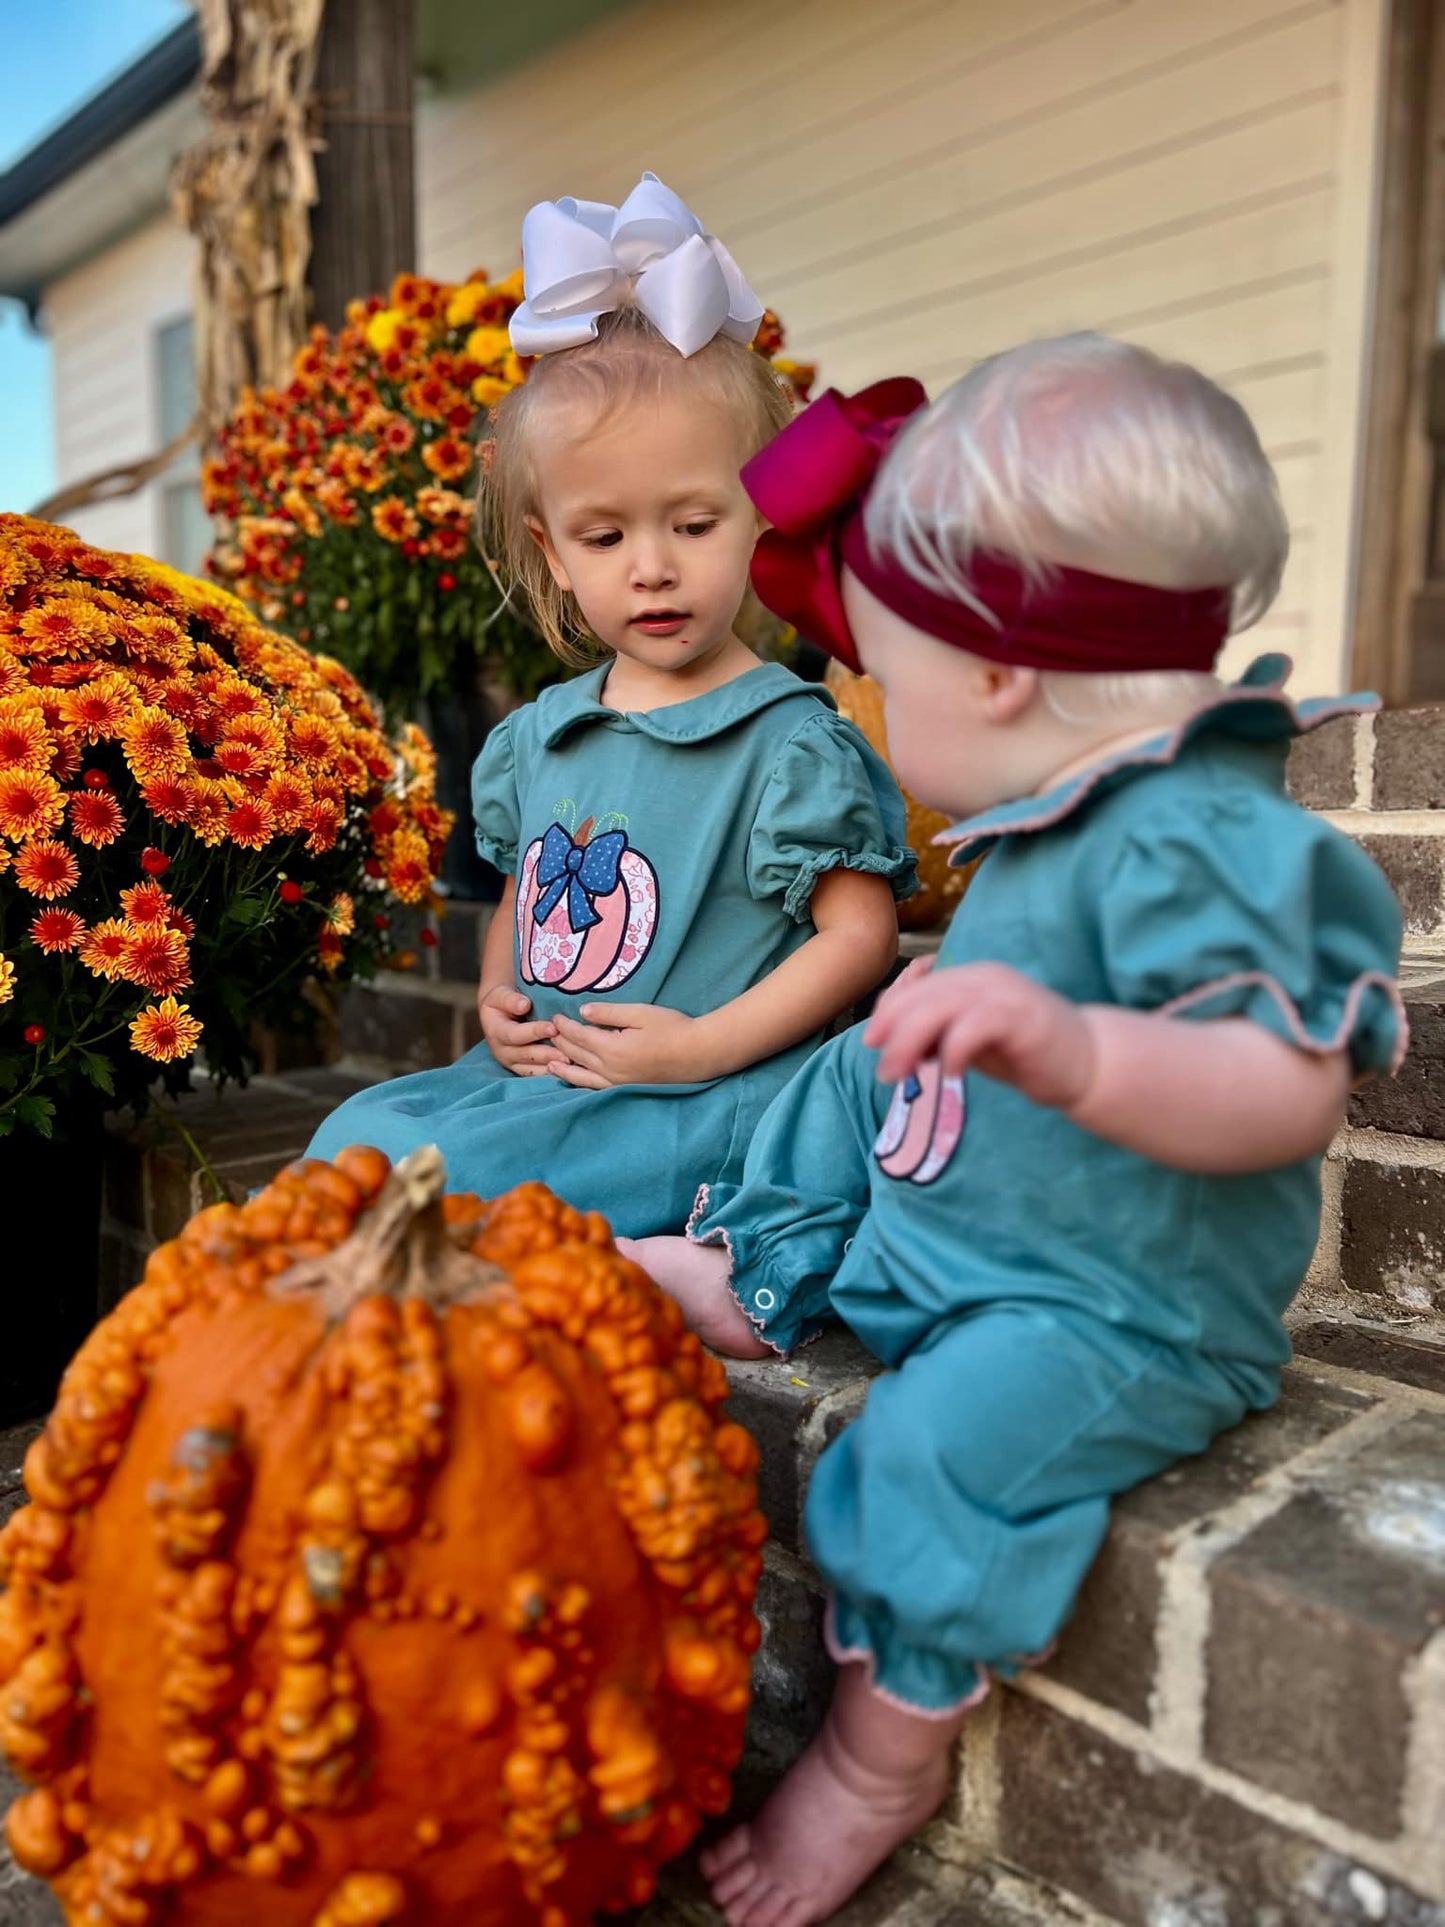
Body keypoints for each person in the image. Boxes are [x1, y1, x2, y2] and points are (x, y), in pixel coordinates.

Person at [622, 335, 1407, 1926]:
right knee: (850, 1075)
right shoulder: (1065, 817)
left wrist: (1070, 1043)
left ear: (993, 680)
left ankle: (875, 1756)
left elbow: (1288, 1087)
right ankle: (759, 1266)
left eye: (882, 680)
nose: (875, 711)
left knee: (930, 1448)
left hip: (1115, 1308)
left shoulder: (1211, 837)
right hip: (975, 1215)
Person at [306, 175, 914, 1234]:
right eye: (605, 537)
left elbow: (856, 940)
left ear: (760, 518)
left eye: (691, 523)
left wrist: (703, 1044)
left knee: (439, 1195)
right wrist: (501, 1003)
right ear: (550, 548)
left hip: (703, 1095)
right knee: (353, 1146)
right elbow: (520, 898)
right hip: (553, 1087)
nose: (651, 569)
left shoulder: (786, 739)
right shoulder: (543, 735)